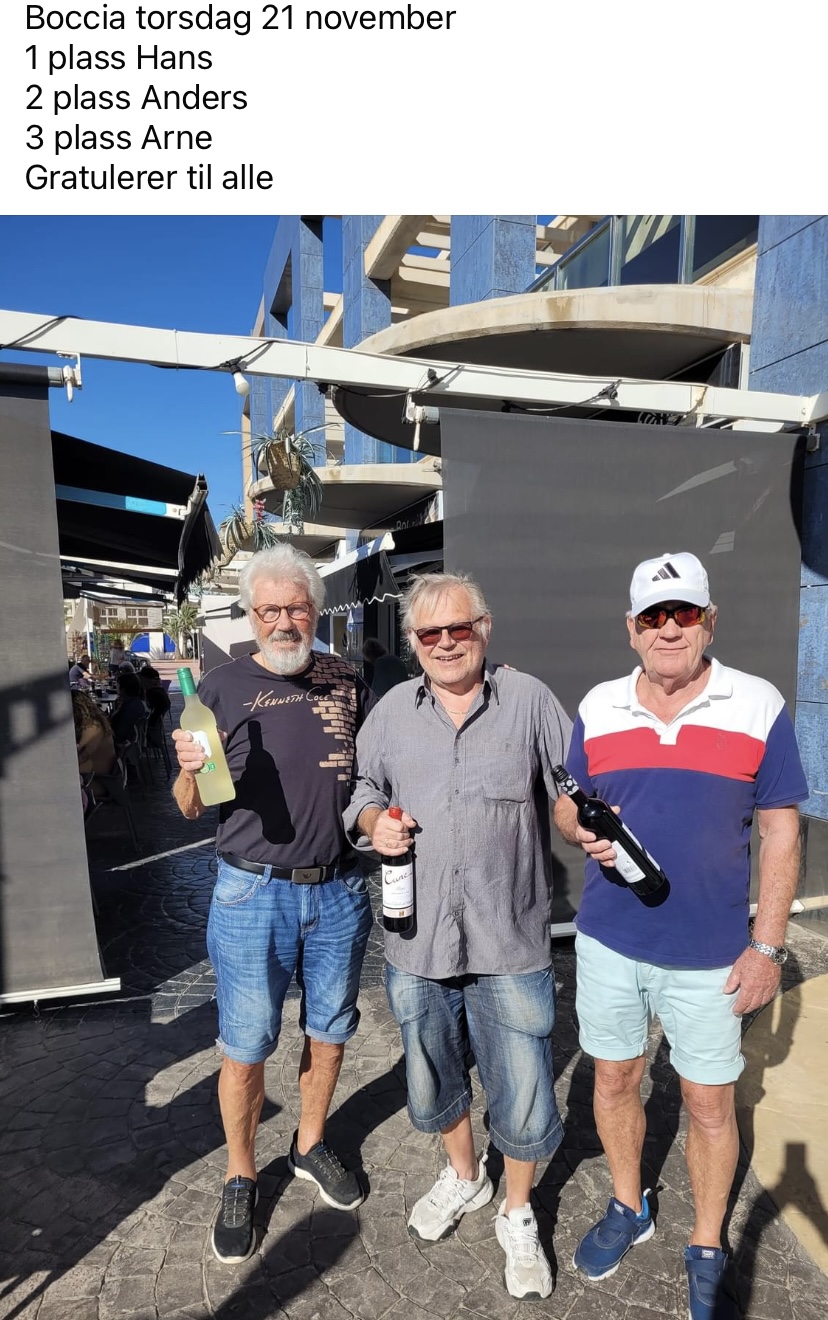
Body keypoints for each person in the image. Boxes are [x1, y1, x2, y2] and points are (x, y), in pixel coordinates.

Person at [553, 551, 808, 1320]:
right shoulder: (599, 706)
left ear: (709, 622)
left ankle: (706, 1241)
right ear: (631, 629)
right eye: (654, 616)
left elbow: (783, 832)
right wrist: (578, 828)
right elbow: (569, 802)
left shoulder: (757, 705)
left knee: (707, 1104)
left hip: (712, 956)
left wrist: (767, 949)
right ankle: (629, 1205)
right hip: (608, 942)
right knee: (614, 1080)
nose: (670, 629)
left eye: (685, 613)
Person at [344, 572, 573, 1301]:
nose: (445, 643)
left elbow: (570, 788)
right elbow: (362, 790)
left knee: (525, 1083)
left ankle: (517, 1211)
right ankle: (466, 1175)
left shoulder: (528, 699)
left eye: (459, 628)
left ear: (484, 629)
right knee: (433, 1071)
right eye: (430, 633)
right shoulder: (390, 712)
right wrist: (371, 822)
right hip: (421, 941)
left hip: (510, 935)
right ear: (413, 642)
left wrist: (587, 827)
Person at [171, 544, 375, 1266]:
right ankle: (240, 1173)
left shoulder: (347, 680)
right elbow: (190, 806)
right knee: (246, 1042)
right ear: (252, 616)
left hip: (340, 887)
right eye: (269, 610)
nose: (284, 621)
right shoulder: (218, 690)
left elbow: (370, 778)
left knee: (331, 1030)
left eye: (296, 608)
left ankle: (309, 1143)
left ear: (315, 611)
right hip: (251, 892)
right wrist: (190, 772)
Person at [109, 671, 148, 746]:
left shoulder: (129, 708)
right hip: (130, 744)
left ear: (123, 689)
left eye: (117, 685)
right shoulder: (136, 702)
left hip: (121, 745)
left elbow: (120, 733)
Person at [140, 665, 171, 732]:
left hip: (151, 728)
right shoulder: (159, 691)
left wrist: (152, 720)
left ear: (146, 679)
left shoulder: (153, 693)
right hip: (156, 725)